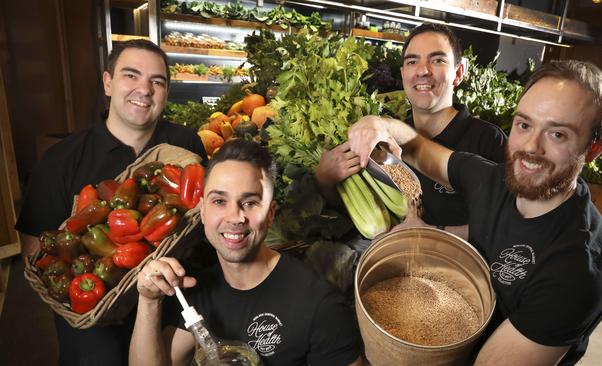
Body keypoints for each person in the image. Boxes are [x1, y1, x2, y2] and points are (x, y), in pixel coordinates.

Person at [346, 60, 602, 365]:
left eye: (558, 134)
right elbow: (416, 147)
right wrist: (379, 124)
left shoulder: (578, 269)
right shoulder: (491, 180)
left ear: (595, 149)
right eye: (524, 124)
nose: (531, 147)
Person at [15, 39, 207, 366]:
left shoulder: (185, 143)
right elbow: (37, 252)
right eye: (130, 76)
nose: (144, 89)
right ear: (108, 83)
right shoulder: (61, 160)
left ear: (166, 92)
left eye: (157, 81)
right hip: (95, 314)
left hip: (173, 299)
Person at [130, 139, 363, 366]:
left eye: (250, 203)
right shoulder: (198, 290)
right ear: (202, 211)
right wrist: (149, 300)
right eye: (219, 201)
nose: (234, 217)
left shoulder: (320, 306)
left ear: (271, 214)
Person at [315, 23, 507, 237]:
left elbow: (508, 225)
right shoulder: (382, 141)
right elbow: (356, 206)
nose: (423, 71)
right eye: (412, 61)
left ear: (459, 72)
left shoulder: (488, 140)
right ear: (403, 73)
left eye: (437, 60)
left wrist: (433, 233)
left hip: (459, 266)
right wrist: (325, 180)